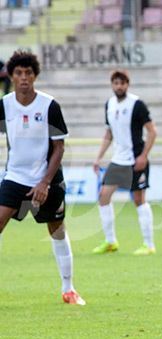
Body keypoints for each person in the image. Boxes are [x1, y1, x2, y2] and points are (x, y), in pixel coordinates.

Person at [0, 50, 85, 306]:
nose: (24, 78)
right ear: (11, 76)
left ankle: (69, 289)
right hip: (15, 177)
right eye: (19, 73)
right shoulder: (4, 105)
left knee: (57, 230)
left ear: (35, 76)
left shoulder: (49, 106)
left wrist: (45, 182)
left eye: (28, 73)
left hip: (47, 179)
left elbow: (59, 147)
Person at [92, 70, 157, 255]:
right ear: (112, 85)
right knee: (103, 196)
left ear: (127, 84)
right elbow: (109, 133)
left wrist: (144, 156)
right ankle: (110, 242)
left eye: (122, 83)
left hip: (136, 159)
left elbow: (152, 131)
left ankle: (149, 244)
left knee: (138, 200)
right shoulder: (109, 105)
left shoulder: (137, 105)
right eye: (116, 83)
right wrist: (98, 157)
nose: (119, 86)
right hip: (118, 160)